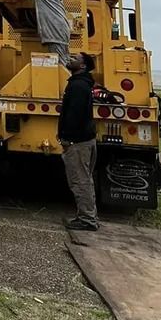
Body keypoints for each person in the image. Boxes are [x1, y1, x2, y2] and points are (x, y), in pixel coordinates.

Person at [58, 51, 99, 231]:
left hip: (78, 142)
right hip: (84, 140)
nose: (70, 58)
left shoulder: (78, 87)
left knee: (80, 180)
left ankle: (87, 220)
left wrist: (67, 138)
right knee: (84, 179)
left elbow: (74, 115)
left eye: (75, 58)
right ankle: (89, 216)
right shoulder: (81, 84)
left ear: (82, 66)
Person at [21, 0, 71, 67]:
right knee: (64, 60)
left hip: (55, 30)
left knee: (61, 63)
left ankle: (68, 82)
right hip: (60, 29)